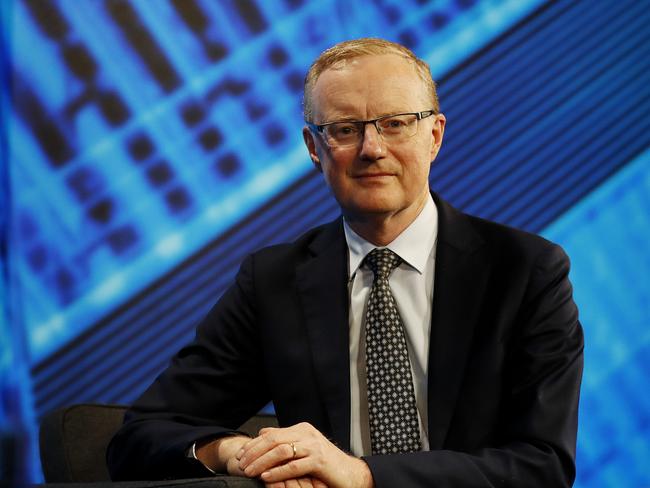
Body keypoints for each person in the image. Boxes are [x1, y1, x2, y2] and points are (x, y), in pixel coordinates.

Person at [107, 38, 584, 488]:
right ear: (315, 149)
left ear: (434, 136)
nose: (372, 148)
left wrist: (362, 476)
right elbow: (143, 434)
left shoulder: (526, 271)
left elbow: (542, 466)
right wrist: (237, 452)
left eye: (395, 123)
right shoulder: (273, 281)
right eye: (344, 129)